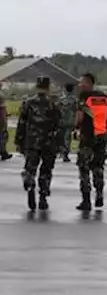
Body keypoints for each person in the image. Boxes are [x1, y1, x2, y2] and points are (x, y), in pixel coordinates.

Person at [16, 75, 60, 211]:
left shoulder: (28, 103)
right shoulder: (53, 104)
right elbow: (58, 125)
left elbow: (22, 123)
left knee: (30, 168)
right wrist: (59, 144)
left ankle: (30, 185)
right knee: (46, 170)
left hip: (32, 142)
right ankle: (43, 196)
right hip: (48, 142)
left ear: (37, 86)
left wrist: (19, 140)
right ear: (48, 87)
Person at [76, 73, 107, 210]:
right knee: (98, 166)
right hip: (101, 136)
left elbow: (79, 117)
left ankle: (86, 200)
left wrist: (76, 128)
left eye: (82, 82)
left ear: (88, 83)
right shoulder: (104, 97)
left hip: (87, 137)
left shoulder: (84, 97)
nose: (80, 85)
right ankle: (99, 193)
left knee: (84, 167)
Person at [58, 81, 77, 162]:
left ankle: (62, 151)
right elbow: (76, 110)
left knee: (62, 137)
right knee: (67, 138)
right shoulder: (75, 100)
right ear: (72, 90)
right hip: (70, 121)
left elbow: (57, 110)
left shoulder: (61, 99)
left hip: (61, 121)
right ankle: (65, 153)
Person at [0, 94, 12, 161]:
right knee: (2, 138)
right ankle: (3, 153)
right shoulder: (1, 108)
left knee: (3, 138)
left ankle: (4, 153)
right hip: (1, 124)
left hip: (2, 123)